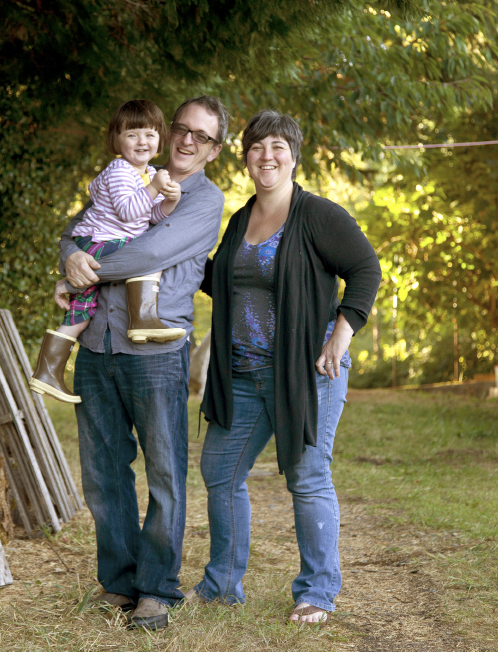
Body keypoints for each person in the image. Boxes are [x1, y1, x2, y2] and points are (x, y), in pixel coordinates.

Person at [187, 110, 381, 626]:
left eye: (277, 146)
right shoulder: (239, 218)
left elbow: (365, 270)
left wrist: (340, 337)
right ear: (245, 156)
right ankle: (222, 585)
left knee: (308, 475)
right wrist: (171, 254)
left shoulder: (318, 215)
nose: (266, 156)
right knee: (219, 472)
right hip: (244, 375)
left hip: (308, 373)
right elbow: (222, 283)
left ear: (294, 154)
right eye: (256, 147)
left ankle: (317, 592)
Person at [57, 96, 230, 630]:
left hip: (156, 354)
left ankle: (156, 589)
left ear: (214, 150)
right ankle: (118, 581)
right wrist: (69, 251)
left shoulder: (204, 200)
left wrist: (83, 265)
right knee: (103, 474)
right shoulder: (132, 174)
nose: (185, 140)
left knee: (163, 473)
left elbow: (149, 253)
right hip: (99, 347)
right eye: (181, 128)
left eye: (201, 136)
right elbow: (80, 224)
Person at [29, 99, 184, 405]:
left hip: (107, 242)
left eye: (150, 135)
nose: (142, 141)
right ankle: (143, 319)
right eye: (132, 134)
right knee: (152, 255)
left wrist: (170, 200)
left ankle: (46, 372)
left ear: (160, 141)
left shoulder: (147, 173)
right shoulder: (120, 170)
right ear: (117, 139)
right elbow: (129, 212)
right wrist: (154, 187)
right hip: (99, 242)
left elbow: (150, 217)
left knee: (83, 312)